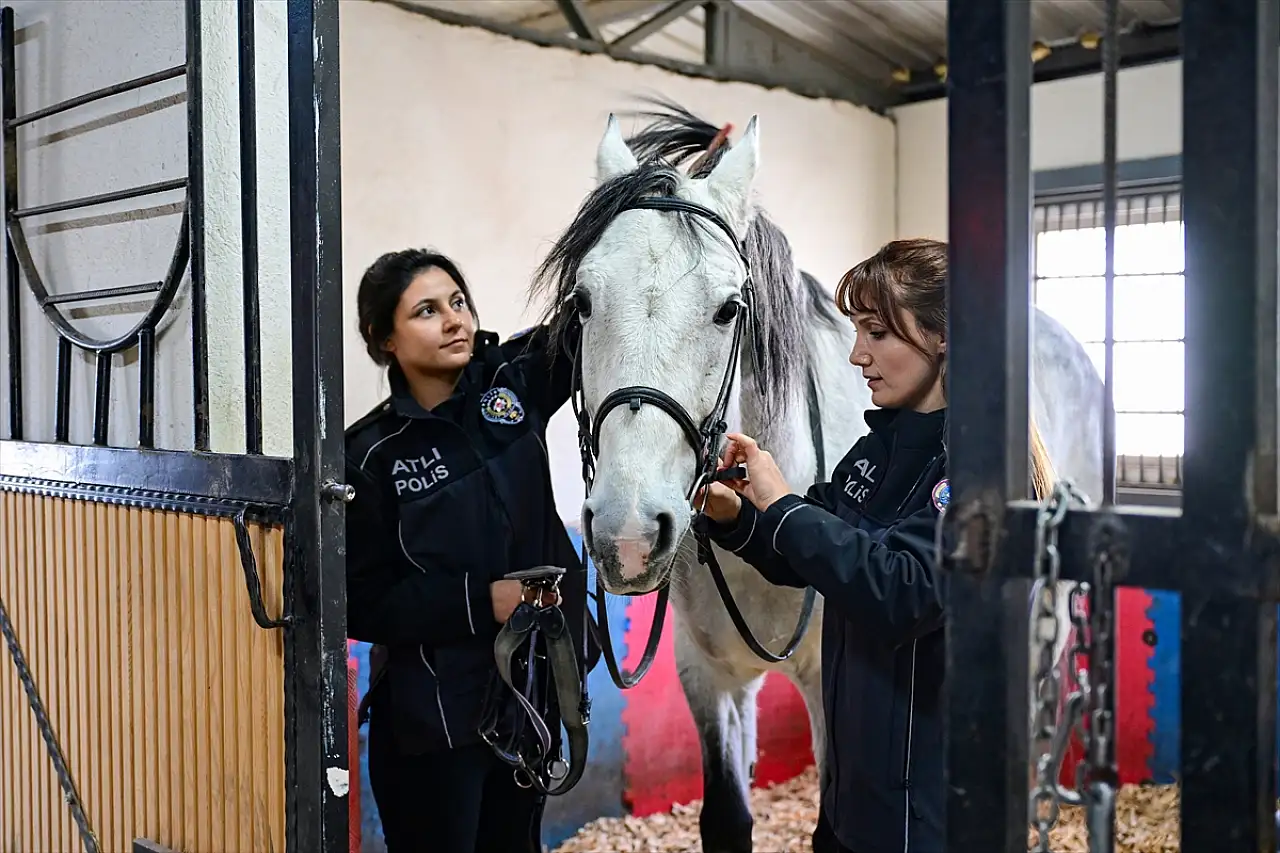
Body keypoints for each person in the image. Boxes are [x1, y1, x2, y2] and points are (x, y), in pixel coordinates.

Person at [693, 237, 1055, 853]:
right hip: (856, 795)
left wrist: (781, 505)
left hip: (929, 812)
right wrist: (739, 518)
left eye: (878, 332)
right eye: (856, 330)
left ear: (945, 337)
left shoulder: (983, 466)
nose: (857, 354)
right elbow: (810, 549)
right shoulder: (880, 447)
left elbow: (904, 592)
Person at [343, 248, 597, 853]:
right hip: (435, 725)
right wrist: (483, 602)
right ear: (384, 339)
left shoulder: (515, 383)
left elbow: (594, 309)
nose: (455, 319)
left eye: (458, 301)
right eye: (427, 311)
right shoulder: (369, 457)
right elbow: (361, 603)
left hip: (531, 701)